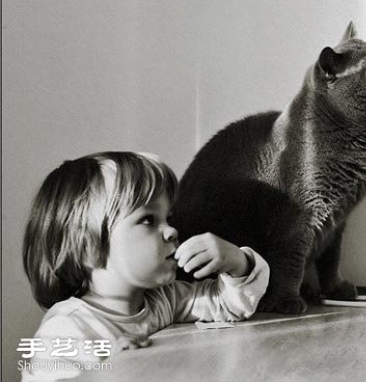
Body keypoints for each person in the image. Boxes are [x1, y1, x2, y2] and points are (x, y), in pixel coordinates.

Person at [21, 151, 269, 380]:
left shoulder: (164, 300)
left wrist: (238, 261)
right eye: (149, 220)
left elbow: (227, 305)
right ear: (90, 248)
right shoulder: (67, 329)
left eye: (168, 218)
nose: (172, 230)